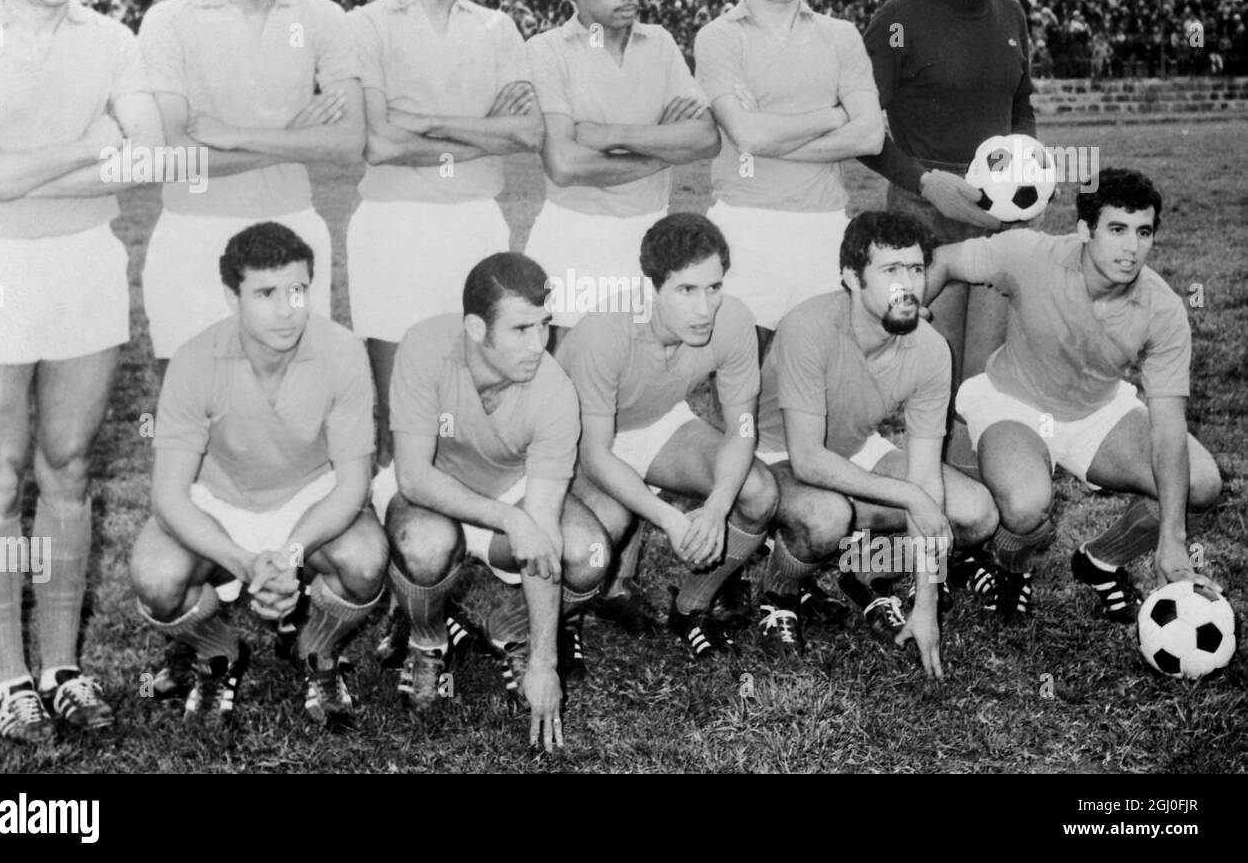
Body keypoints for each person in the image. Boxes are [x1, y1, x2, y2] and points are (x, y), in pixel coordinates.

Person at [0, 0, 165, 741]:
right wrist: (84, 147)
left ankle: (61, 667)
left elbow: (143, 156)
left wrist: (18, 169)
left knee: (69, 465)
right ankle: (10, 680)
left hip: (85, 260)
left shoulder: (114, 39)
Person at [923, 170, 1223, 621]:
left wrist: (1173, 539)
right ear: (1085, 230)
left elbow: (1167, 428)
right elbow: (944, 260)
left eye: (1143, 232)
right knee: (1025, 507)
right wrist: (912, 311)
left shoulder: (1162, 308)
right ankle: (1013, 565)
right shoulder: (1031, 254)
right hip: (1015, 402)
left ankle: (1100, 560)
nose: (1131, 247)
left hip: (1096, 411)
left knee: (1202, 483)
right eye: (1116, 230)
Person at [131, 223, 383, 730]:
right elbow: (169, 495)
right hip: (219, 499)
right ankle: (216, 653)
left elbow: (353, 483)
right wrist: (246, 564)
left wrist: (289, 556)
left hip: (306, 496)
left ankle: (319, 652)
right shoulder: (195, 358)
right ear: (232, 296)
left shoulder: (342, 350)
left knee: (365, 559)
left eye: (297, 290)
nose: (287, 309)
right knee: (156, 579)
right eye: (266, 293)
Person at [375, 253, 609, 754]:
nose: (538, 344)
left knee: (589, 552)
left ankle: (519, 632)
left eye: (544, 325)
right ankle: (427, 636)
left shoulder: (554, 391)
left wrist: (545, 663)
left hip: (513, 495)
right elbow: (413, 476)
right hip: (437, 491)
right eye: (521, 329)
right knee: (424, 544)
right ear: (476, 327)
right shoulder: (424, 346)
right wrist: (508, 518)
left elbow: (541, 526)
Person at [346, 0, 541, 468]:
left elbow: (527, 134)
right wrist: (484, 128)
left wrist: (425, 126)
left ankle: (466, 536)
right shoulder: (365, 24)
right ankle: (398, 533)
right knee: (397, 406)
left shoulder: (498, 27)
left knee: (478, 392)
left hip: (477, 224)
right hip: (393, 224)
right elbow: (378, 143)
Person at [752, 213, 998, 672]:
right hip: (774, 456)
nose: (907, 286)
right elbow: (806, 459)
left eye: (916, 269)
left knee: (976, 514)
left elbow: (927, 478)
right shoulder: (807, 326)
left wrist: (925, 604)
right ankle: (779, 592)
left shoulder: (930, 347)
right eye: (890, 271)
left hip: (854, 451)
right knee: (826, 517)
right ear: (851, 277)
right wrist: (909, 495)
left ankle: (862, 562)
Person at [137, 0, 364, 373]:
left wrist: (240, 136)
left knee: (291, 417)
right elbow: (177, 156)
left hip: (292, 229)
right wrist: (296, 141)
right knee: (191, 417)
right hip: (192, 233)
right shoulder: (167, 20)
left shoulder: (323, 17)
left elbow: (350, 142)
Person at [857, 0, 1036, 455]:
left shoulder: (1011, 14)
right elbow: (862, 131)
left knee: (983, 377)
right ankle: (928, 504)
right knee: (935, 367)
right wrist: (924, 182)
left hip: (996, 215)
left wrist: (1027, 164)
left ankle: (971, 517)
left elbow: (1021, 103)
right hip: (924, 212)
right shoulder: (897, 19)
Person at [556, 214, 781, 659]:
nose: (704, 308)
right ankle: (557, 621)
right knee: (600, 535)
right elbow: (597, 454)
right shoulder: (604, 331)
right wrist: (671, 518)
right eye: (686, 290)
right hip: (579, 440)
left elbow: (741, 427)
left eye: (713, 287)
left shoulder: (733, 320)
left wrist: (716, 509)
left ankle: (691, 605)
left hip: (656, 423)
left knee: (757, 492)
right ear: (650, 287)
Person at [693, 0, 883, 356]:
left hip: (823, 225)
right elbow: (748, 135)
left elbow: (871, 136)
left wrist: (762, 136)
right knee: (743, 385)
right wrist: (832, 115)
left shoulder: (841, 35)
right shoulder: (718, 37)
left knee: (816, 383)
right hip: (745, 222)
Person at [525, 0, 719, 346]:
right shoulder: (546, 50)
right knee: (567, 380)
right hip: (574, 236)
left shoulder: (661, 43)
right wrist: (665, 145)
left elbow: (706, 139)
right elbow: (564, 163)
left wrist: (608, 135)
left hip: (649, 235)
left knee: (636, 385)